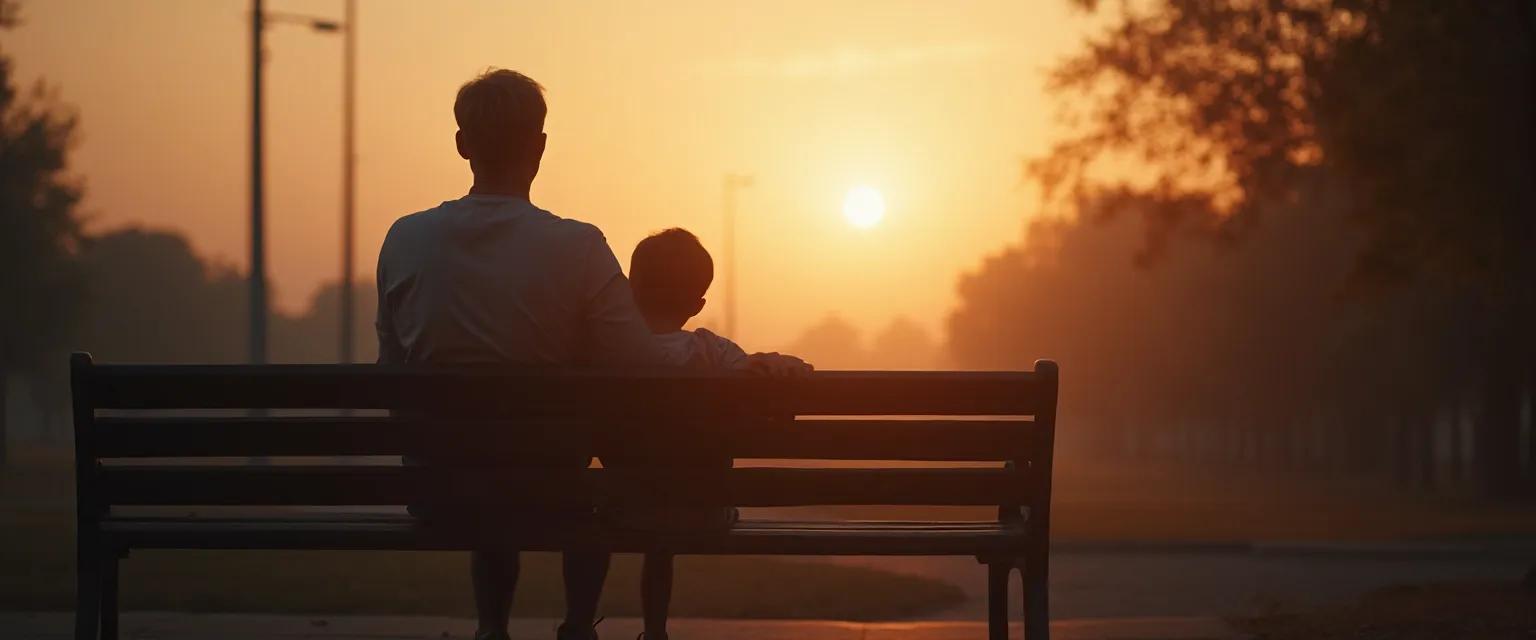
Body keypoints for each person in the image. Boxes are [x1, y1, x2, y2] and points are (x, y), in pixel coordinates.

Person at [375, 69, 807, 640]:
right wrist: (725, 360)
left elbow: (389, 371)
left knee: (488, 464)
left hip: (440, 493)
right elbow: (642, 368)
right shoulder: (578, 247)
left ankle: (492, 630)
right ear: (540, 146)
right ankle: (577, 628)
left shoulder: (405, 239)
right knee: (571, 487)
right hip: (548, 489)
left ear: (462, 144)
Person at [620, 227, 801, 640]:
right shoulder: (712, 353)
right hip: (702, 511)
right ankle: (654, 632)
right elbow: (762, 370)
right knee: (669, 513)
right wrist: (781, 363)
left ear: (630, 288)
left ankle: (603, 627)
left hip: (623, 507)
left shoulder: (610, 350)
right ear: (697, 303)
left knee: (644, 517)